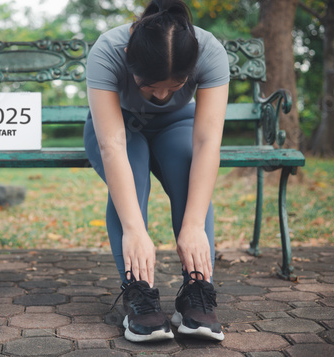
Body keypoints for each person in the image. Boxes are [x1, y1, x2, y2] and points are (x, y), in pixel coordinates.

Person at [83, 0, 229, 343]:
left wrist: (193, 227)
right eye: (149, 86)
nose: (161, 95)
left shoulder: (208, 51)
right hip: (118, 127)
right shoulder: (108, 49)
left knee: (186, 168)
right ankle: (140, 293)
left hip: (177, 125)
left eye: (174, 87)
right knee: (132, 179)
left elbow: (208, 142)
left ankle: (197, 291)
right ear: (130, 58)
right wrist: (134, 229)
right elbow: (113, 146)